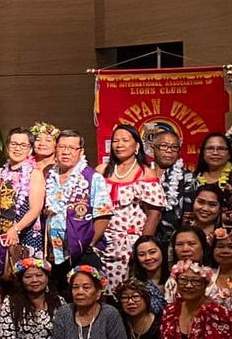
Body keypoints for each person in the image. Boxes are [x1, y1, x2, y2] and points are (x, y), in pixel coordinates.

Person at [97, 124, 165, 293]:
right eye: (115, 141)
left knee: (130, 291)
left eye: (125, 140)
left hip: (131, 245)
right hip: (103, 242)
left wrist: (144, 245)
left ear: (137, 146)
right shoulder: (101, 171)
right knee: (102, 291)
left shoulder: (145, 173)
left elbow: (154, 214)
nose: (119, 144)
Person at [45, 131, 112, 283]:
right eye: (62, 147)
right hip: (53, 253)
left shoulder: (92, 177)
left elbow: (104, 214)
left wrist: (90, 245)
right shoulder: (49, 175)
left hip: (81, 250)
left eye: (71, 148)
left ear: (81, 151)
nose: (66, 152)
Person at [0, 128, 47, 276]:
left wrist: (16, 229)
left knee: (26, 277)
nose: (17, 148)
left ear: (30, 150)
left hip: (25, 233)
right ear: (7, 146)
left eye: (23, 145)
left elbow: (36, 209)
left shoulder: (35, 173)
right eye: (14, 144)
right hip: (1, 234)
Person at [191, 134, 232, 233]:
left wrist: (215, 216)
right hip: (195, 234)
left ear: (229, 154)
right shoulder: (193, 178)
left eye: (221, 149)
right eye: (210, 148)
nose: (215, 153)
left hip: (231, 238)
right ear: (203, 153)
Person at [128, 237, 170, 313]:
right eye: (142, 254)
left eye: (152, 252)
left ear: (162, 252)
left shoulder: (175, 278)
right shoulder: (134, 285)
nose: (148, 258)